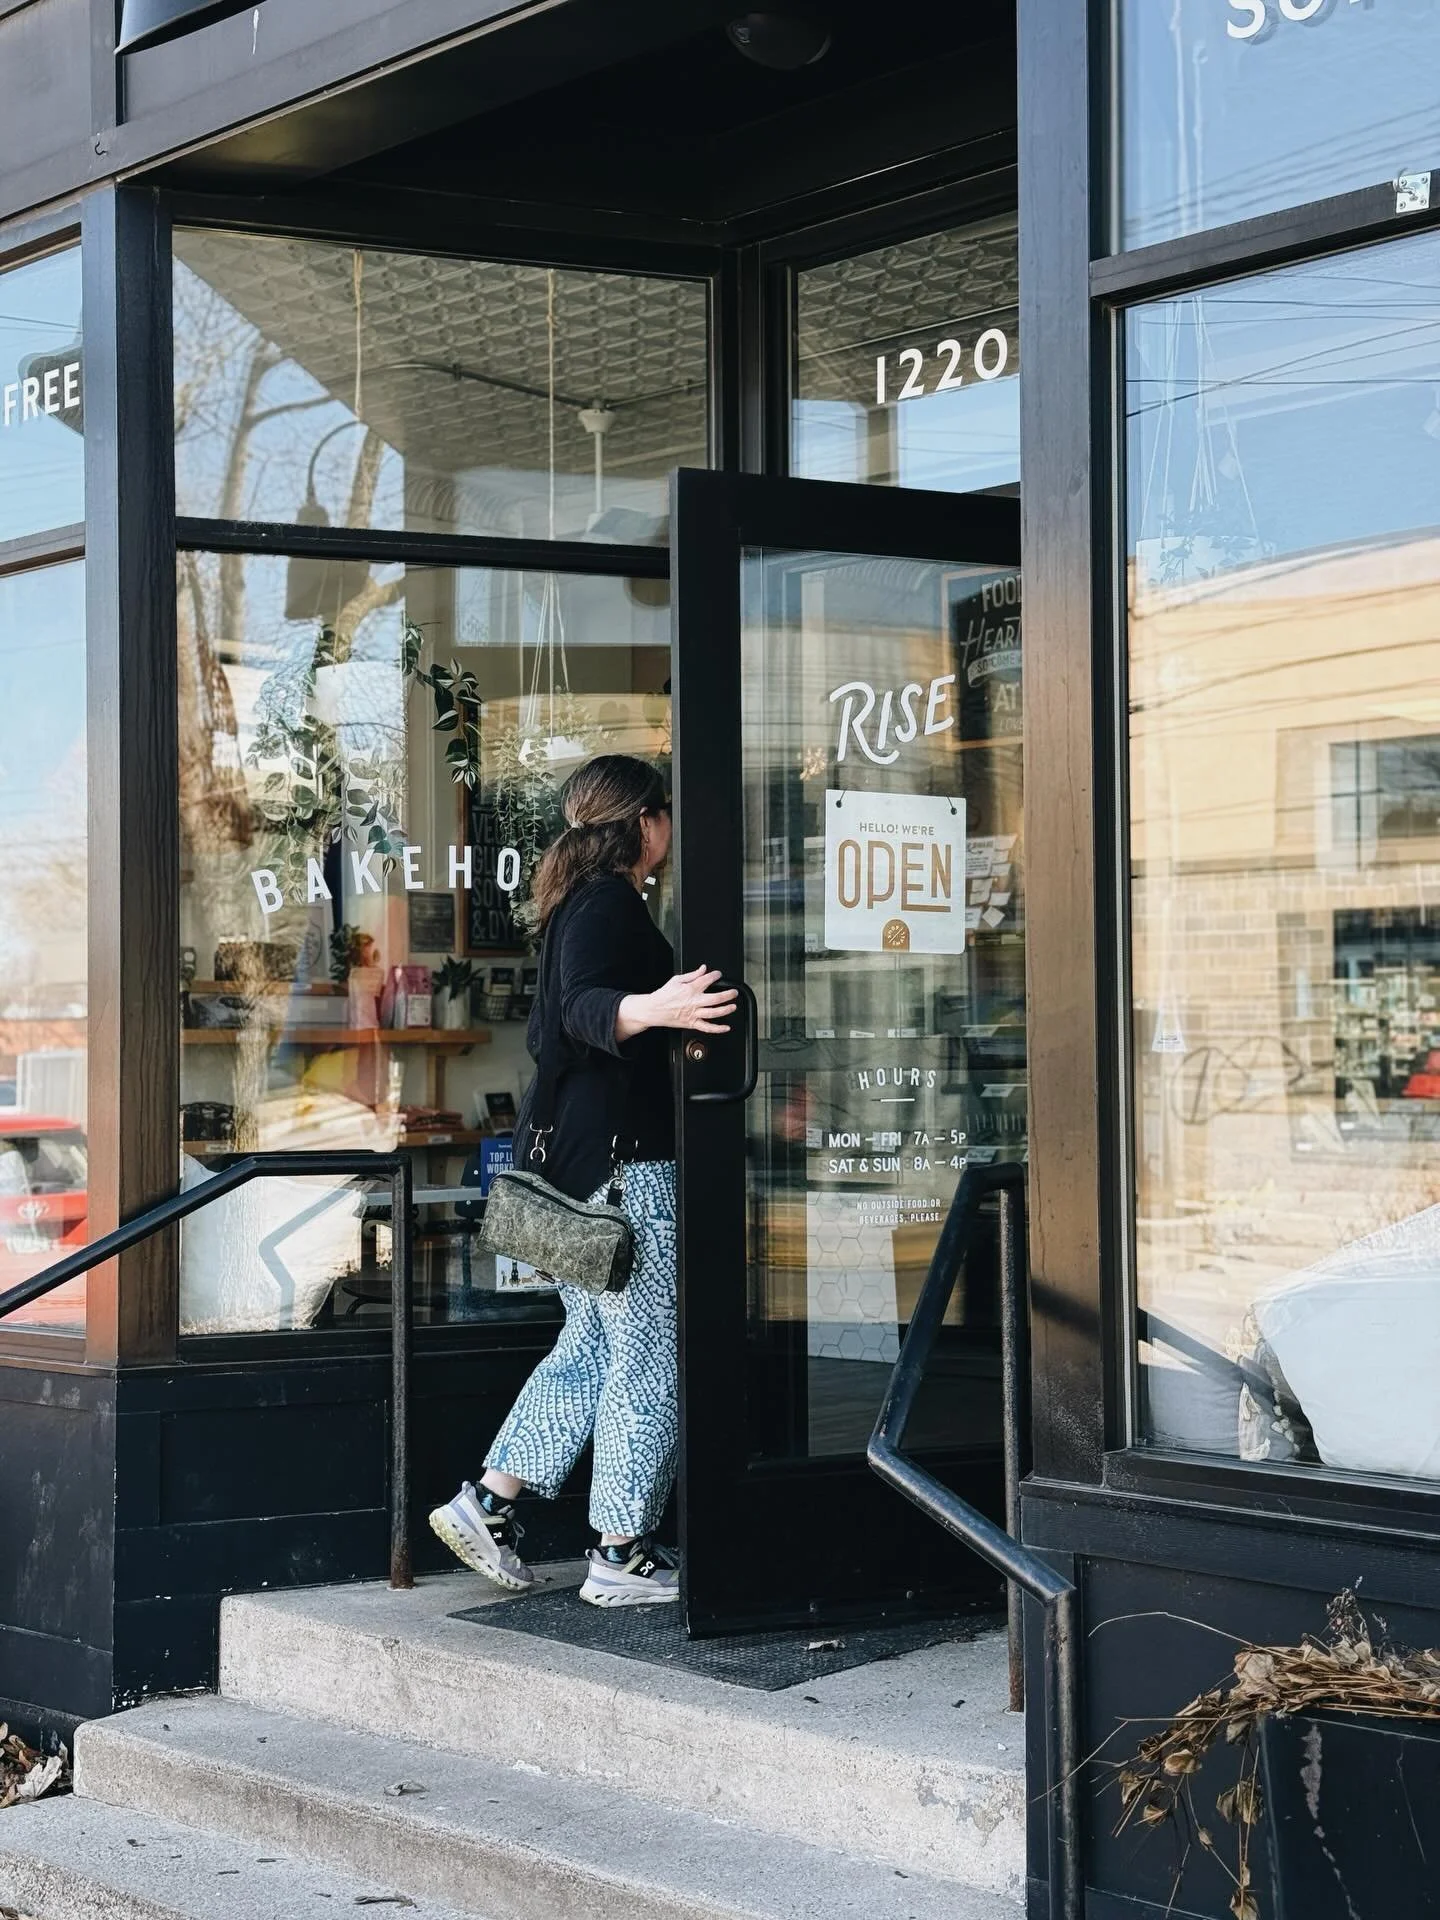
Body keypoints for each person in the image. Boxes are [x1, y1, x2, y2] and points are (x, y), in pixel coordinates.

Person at [429, 755, 736, 1606]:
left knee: (592, 1349)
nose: (671, 828)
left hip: (578, 1173)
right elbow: (577, 1011)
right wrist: (657, 1010)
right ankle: (622, 1551)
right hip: (623, 1173)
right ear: (645, 822)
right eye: (666, 812)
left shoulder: (579, 900)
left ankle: (489, 1501)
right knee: (648, 1358)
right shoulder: (607, 902)